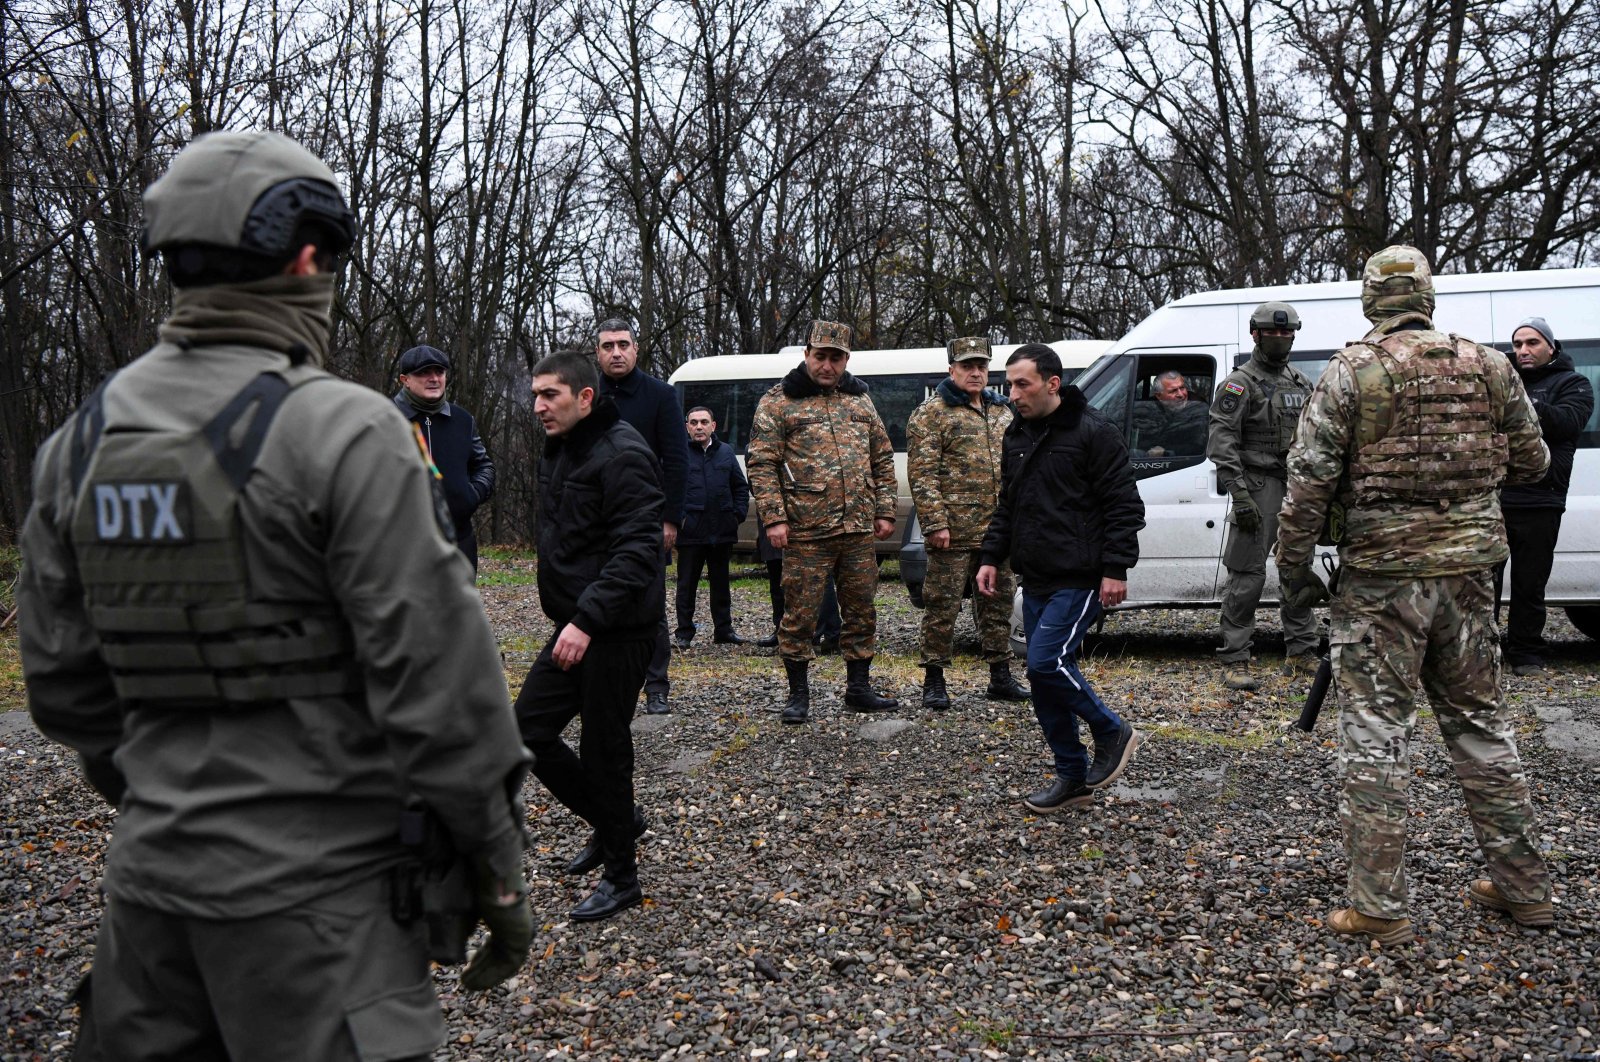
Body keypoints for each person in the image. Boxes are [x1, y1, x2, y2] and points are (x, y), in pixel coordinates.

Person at [16, 131, 531, 1060]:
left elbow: (60, 685)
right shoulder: (344, 431)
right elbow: (442, 693)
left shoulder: (79, 443)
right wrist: (499, 873)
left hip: (147, 908)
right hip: (319, 919)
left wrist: (167, 798)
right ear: (307, 259)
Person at [1276, 244, 1555, 944]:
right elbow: (1534, 460)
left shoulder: (1352, 371)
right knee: (1480, 723)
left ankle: (1379, 905)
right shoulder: (1490, 365)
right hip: (1470, 575)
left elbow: (1307, 484)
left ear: (1371, 299)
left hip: (1380, 584)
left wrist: (1294, 569)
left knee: (1376, 731)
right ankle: (1524, 889)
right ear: (1428, 296)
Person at [515, 351, 663, 922]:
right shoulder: (563, 449)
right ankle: (617, 823)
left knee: (605, 750)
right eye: (535, 395)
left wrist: (585, 620)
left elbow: (636, 553)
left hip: (616, 630)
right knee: (526, 732)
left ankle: (621, 879)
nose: (538, 406)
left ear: (584, 398)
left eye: (550, 395)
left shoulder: (623, 453)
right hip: (576, 624)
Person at [977, 344, 1146, 812]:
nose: (1012, 394)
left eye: (1022, 384)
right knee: (1043, 679)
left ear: (1052, 384)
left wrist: (1115, 569)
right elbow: (1009, 505)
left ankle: (1112, 730)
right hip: (1037, 577)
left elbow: (1124, 507)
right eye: (1009, 384)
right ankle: (1071, 777)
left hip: (1081, 576)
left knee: (1045, 664)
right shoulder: (1017, 435)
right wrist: (991, 556)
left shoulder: (1094, 433)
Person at [746, 319, 899, 723]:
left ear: (846, 359)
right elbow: (762, 464)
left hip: (857, 531)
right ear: (807, 355)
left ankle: (858, 688)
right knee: (800, 615)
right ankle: (798, 694)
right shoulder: (778, 402)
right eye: (821, 356)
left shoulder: (860, 401)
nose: (828, 365)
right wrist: (774, 519)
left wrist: (884, 509)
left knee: (862, 609)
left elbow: (882, 457)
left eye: (836, 358)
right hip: (805, 532)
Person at [906, 336, 1030, 709]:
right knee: (942, 607)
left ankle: (1000, 676)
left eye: (981, 366)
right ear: (951, 370)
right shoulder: (931, 413)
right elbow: (922, 475)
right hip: (953, 532)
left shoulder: (1004, 411)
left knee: (998, 604)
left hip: (996, 531)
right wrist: (935, 524)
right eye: (966, 366)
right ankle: (934, 680)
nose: (975, 373)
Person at [1206, 302, 1320, 690]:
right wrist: (1239, 493)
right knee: (1247, 577)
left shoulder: (1301, 383)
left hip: (1296, 486)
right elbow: (1221, 441)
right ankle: (1235, 658)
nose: (1280, 339)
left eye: (1286, 333)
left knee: (1297, 570)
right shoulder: (1240, 384)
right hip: (1257, 486)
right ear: (1256, 334)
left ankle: (1302, 651)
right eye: (1272, 333)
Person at [596, 317, 687, 714]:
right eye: (607, 346)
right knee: (595, 602)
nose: (616, 352)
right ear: (597, 352)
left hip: (646, 518)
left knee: (649, 603)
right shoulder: (585, 394)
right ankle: (606, 683)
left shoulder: (661, 395)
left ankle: (656, 686)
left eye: (623, 344)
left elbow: (676, 460)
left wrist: (670, 518)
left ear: (636, 348)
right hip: (594, 520)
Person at [1498, 316, 1594, 676]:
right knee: (1481, 586)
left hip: (1542, 500)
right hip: (1496, 498)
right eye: (1518, 344)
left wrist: (1513, 403)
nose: (1523, 350)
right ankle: (1483, 653)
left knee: (1530, 584)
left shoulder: (1574, 383)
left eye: (1532, 343)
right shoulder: (1502, 382)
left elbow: (1565, 423)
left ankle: (1525, 654)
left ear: (1551, 347)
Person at [392, 344, 496, 570]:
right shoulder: (385, 419)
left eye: (439, 372)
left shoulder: (463, 420)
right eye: (423, 372)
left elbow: (484, 466)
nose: (433, 378)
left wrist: (472, 494)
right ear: (405, 379)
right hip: (401, 547)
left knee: (458, 606)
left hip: (459, 541)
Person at [675, 406, 750, 646]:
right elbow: (669, 490)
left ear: (713, 426)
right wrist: (681, 519)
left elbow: (740, 487)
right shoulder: (679, 453)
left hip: (721, 531)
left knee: (721, 584)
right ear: (687, 426)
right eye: (694, 422)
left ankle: (724, 631)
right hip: (691, 532)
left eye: (704, 422)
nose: (699, 427)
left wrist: (736, 515)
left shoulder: (726, 452)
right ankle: (684, 633)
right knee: (687, 585)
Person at [754, 520, 841, 651]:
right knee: (778, 578)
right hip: (777, 525)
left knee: (817, 578)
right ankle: (783, 629)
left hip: (802, 524)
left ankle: (820, 633)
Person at [1132, 369, 1209, 457]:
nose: (1181, 394)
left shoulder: (1199, 410)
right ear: (1159, 396)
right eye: (1173, 391)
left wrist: (1165, 453)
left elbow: (1198, 447)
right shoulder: (1145, 411)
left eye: (1182, 388)